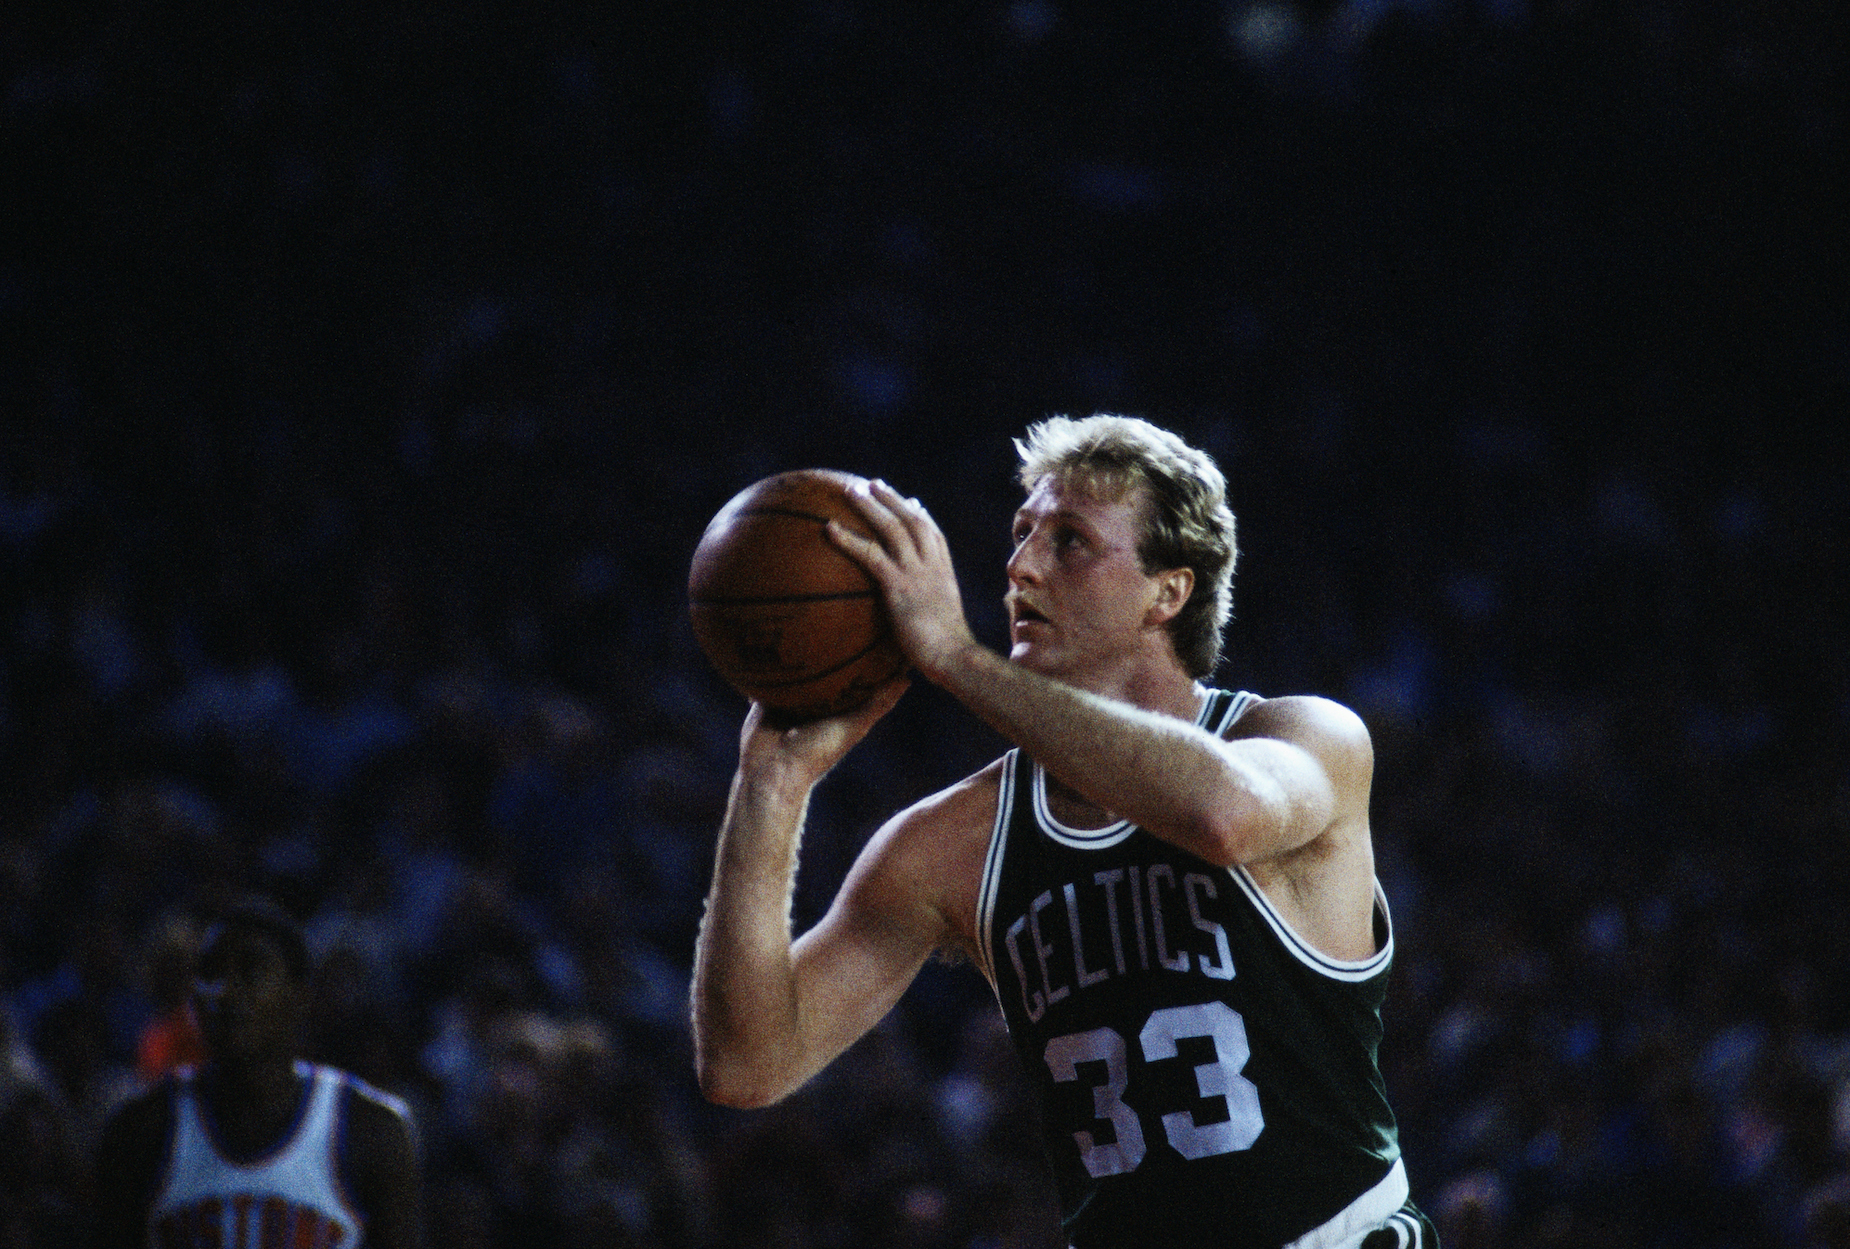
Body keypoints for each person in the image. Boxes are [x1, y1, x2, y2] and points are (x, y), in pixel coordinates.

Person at [692, 414, 1435, 1248]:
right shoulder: (954, 841)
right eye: (1021, 533)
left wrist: (955, 658)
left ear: (1169, 591)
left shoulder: (1308, 739)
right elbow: (747, 1062)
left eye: (1071, 541)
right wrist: (772, 781)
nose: (1021, 566)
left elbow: (1222, 816)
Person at [92, 896, 422, 1249]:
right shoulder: (140, 1127)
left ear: (300, 998)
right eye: (209, 974)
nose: (224, 991)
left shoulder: (372, 1130)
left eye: (250, 972)